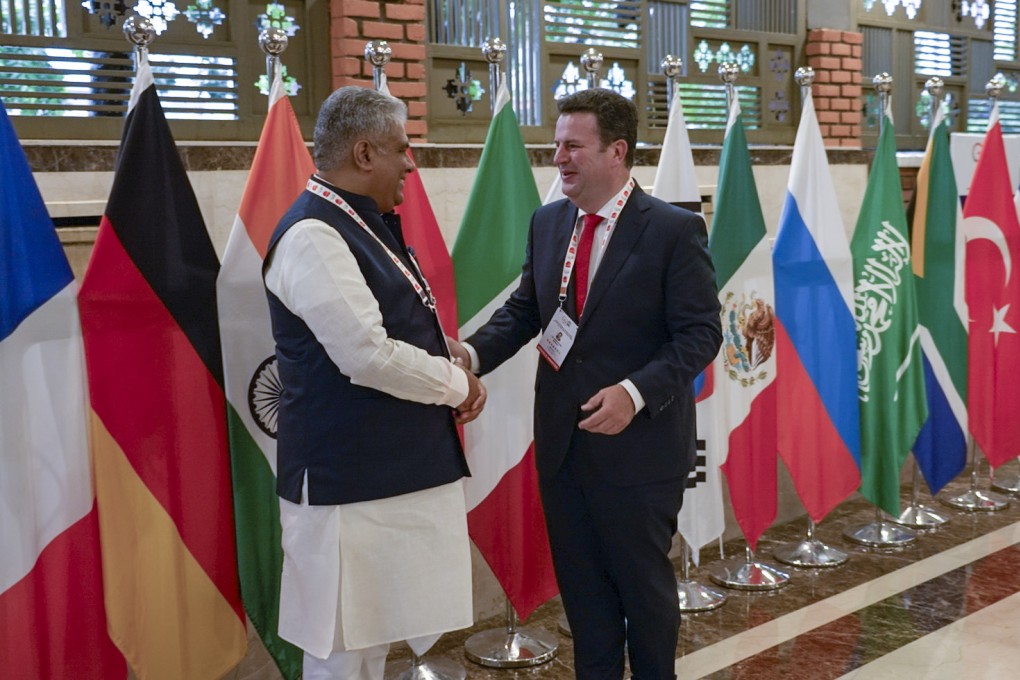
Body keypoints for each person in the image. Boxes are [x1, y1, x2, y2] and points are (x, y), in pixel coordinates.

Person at [451, 89, 722, 679]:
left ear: (617, 152)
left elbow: (701, 336)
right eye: (556, 145)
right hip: (564, 448)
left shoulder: (673, 230)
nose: (559, 158)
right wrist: (468, 354)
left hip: (640, 453)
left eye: (573, 146)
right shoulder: (549, 221)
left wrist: (635, 392)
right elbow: (527, 312)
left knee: (644, 598)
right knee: (586, 602)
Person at [263, 86, 486, 680]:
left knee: (374, 638)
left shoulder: (361, 220)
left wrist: (453, 355)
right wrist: (456, 386)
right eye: (401, 148)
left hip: (383, 476)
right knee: (342, 650)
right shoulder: (314, 233)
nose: (410, 163)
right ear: (365, 154)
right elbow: (366, 353)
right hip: (344, 486)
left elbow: (395, 321)